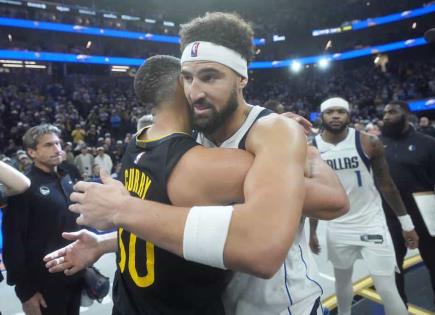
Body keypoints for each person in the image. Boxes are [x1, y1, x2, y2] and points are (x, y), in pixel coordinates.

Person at [45, 51, 348, 315]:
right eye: (193, 79)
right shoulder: (204, 165)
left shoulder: (136, 146)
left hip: (133, 302)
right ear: (184, 86)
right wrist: (303, 150)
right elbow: (333, 200)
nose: (200, 90)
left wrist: (106, 242)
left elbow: (156, 223)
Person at [309, 97, 419, 315]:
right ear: (322, 116)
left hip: (371, 223)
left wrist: (406, 224)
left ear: (349, 115)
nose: (336, 116)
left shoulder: (369, 142)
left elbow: (387, 185)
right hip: (338, 227)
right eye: (330, 112)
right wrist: (312, 231)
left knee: (387, 288)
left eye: (341, 111)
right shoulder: (312, 148)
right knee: (342, 283)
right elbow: (314, 193)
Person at [2, 124, 84, 315]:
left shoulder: (68, 175)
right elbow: (13, 240)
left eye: (58, 143)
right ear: (32, 152)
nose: (57, 149)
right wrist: (25, 292)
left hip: (74, 273)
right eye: (48, 145)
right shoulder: (23, 187)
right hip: (43, 283)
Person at [381, 100, 435, 305]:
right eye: (384, 112)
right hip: (391, 217)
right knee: (393, 268)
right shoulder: (378, 145)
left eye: (392, 112)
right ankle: (398, 308)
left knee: (434, 263)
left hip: (424, 216)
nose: (386, 116)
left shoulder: (428, 144)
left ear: (406, 114)